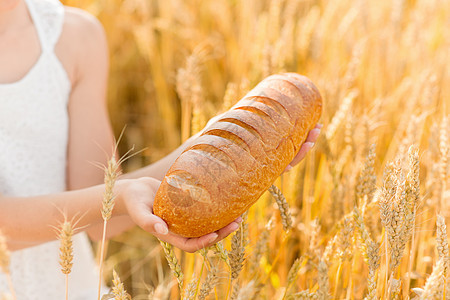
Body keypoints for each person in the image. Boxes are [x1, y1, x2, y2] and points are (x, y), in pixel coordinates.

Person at [0, 0, 321, 298]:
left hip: (66, 286)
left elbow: (100, 215)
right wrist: (123, 195)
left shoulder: (75, 37)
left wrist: (202, 151)